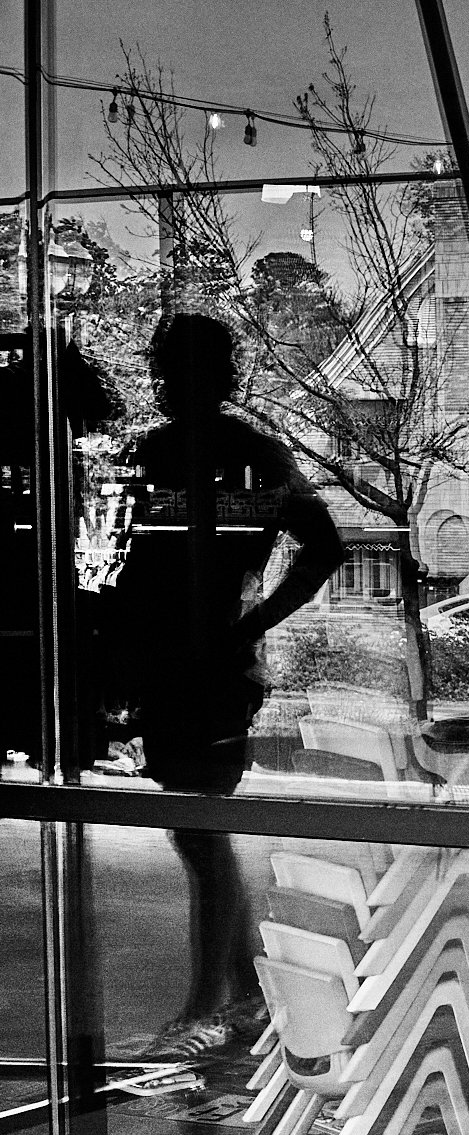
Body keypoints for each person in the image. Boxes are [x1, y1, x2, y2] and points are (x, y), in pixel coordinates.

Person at [110, 313, 343, 1057]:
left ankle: (213, 1001)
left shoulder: (242, 455)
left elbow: (323, 547)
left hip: (208, 673)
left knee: (201, 831)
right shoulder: (157, 455)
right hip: (176, 670)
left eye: (189, 367)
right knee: (197, 833)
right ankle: (238, 994)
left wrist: (247, 627)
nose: (180, 382)